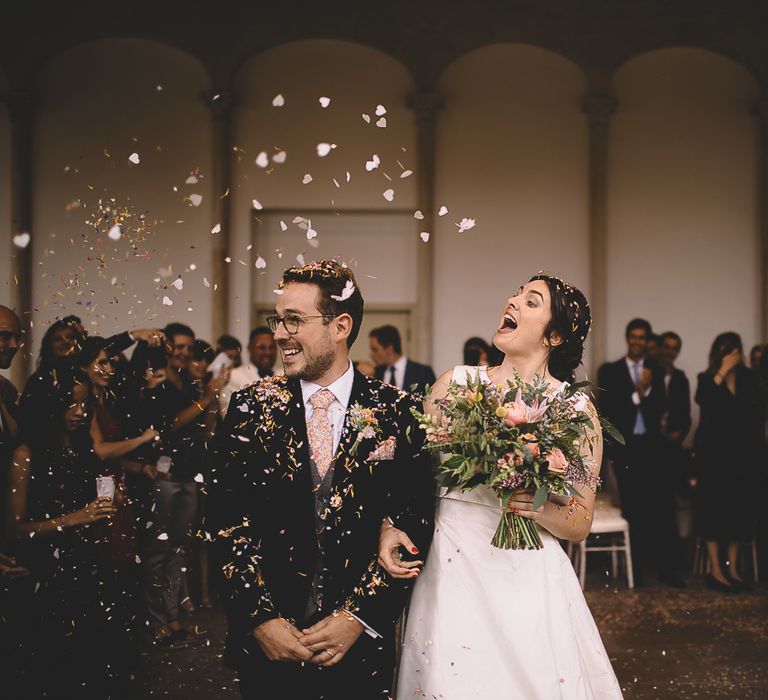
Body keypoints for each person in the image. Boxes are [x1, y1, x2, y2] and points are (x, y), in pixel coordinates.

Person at [378, 275, 622, 699]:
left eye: (531, 302)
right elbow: (408, 476)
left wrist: (537, 507)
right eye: (515, 294)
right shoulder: (453, 385)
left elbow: (580, 521)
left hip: (529, 573)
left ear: (556, 335)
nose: (512, 301)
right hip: (452, 567)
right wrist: (386, 524)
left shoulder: (576, 410)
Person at [209, 260, 434, 699]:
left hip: (358, 653)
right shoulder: (249, 408)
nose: (278, 334)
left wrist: (359, 617)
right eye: (278, 319)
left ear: (340, 326)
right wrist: (259, 619)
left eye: (294, 320)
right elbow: (224, 521)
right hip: (269, 648)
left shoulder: (398, 411)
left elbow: (416, 522)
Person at [7, 366, 121, 697]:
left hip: (82, 566)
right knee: (49, 669)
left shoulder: (77, 448)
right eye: (71, 404)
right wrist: (75, 518)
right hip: (42, 573)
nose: (81, 412)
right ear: (48, 405)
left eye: (85, 404)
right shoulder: (25, 454)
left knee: (88, 665)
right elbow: (13, 530)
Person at [139, 323, 229, 646]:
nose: (185, 353)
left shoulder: (191, 384)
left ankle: (173, 613)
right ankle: (155, 618)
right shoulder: (158, 382)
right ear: (166, 348)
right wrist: (206, 397)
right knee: (157, 551)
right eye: (179, 347)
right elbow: (170, 425)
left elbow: (204, 431)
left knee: (178, 550)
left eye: (189, 348)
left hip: (190, 473)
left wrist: (210, 397)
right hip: (162, 476)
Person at [598, 319, 683, 587]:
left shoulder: (655, 370)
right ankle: (637, 572)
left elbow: (660, 408)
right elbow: (609, 409)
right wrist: (639, 393)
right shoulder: (610, 371)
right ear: (627, 338)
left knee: (660, 509)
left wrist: (647, 394)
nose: (636, 341)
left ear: (647, 341)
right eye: (632, 336)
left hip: (654, 449)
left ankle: (666, 570)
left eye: (641, 337)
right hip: (627, 452)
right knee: (634, 510)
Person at [693, 332, 765, 592]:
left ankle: (732, 568)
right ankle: (715, 569)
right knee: (713, 512)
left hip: (742, 458)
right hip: (714, 459)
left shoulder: (750, 378)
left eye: (733, 349)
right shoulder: (707, 378)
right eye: (725, 349)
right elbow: (703, 401)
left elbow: (756, 414)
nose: (730, 353)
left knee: (738, 513)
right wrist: (722, 371)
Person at [218, 326, 278, 415]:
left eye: (271, 347)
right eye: (261, 347)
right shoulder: (233, 376)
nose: (267, 352)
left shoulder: (286, 376)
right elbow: (228, 416)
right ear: (249, 348)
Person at [369, 325, 436, 396]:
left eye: (375, 350)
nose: (371, 355)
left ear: (389, 348)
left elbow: (433, 400)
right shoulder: (376, 373)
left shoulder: (423, 372)